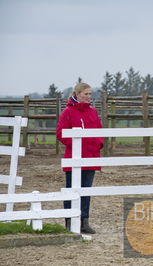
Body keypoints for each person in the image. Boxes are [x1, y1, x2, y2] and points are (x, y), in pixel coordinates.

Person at [56, 82, 104, 233]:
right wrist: (78, 146)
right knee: (72, 190)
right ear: (77, 94)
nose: (89, 97)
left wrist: (98, 144)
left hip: (91, 157)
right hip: (74, 158)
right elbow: (60, 133)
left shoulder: (93, 112)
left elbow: (99, 131)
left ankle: (84, 221)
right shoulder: (68, 112)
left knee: (86, 190)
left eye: (90, 94)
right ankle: (69, 221)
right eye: (86, 94)